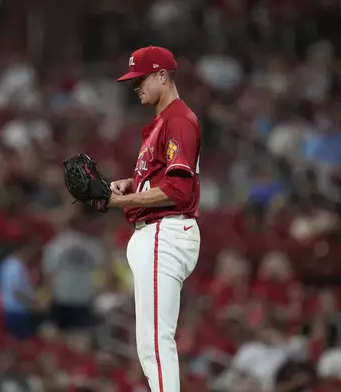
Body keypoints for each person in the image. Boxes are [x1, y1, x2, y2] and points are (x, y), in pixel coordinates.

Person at [107, 46, 201, 392]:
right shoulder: (163, 122)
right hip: (158, 230)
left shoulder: (178, 119)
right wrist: (132, 184)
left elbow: (178, 190)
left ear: (163, 75)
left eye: (141, 78)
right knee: (150, 342)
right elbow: (167, 177)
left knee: (155, 342)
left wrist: (122, 201)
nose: (136, 87)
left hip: (166, 229)